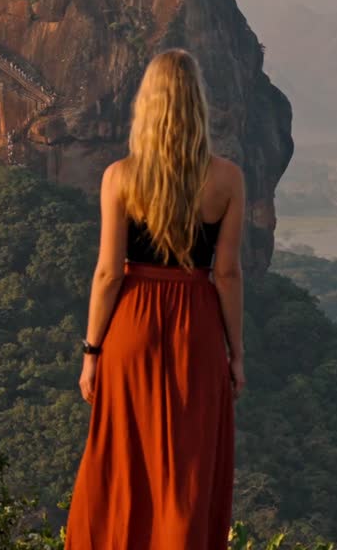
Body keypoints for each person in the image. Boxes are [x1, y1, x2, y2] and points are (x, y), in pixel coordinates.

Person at [64, 48, 246, 549]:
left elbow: (107, 274)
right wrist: (237, 354)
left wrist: (91, 353)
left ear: (147, 105)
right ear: (198, 106)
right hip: (199, 327)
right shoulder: (227, 179)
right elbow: (227, 274)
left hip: (131, 328)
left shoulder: (120, 177)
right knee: (188, 464)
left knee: (124, 459)